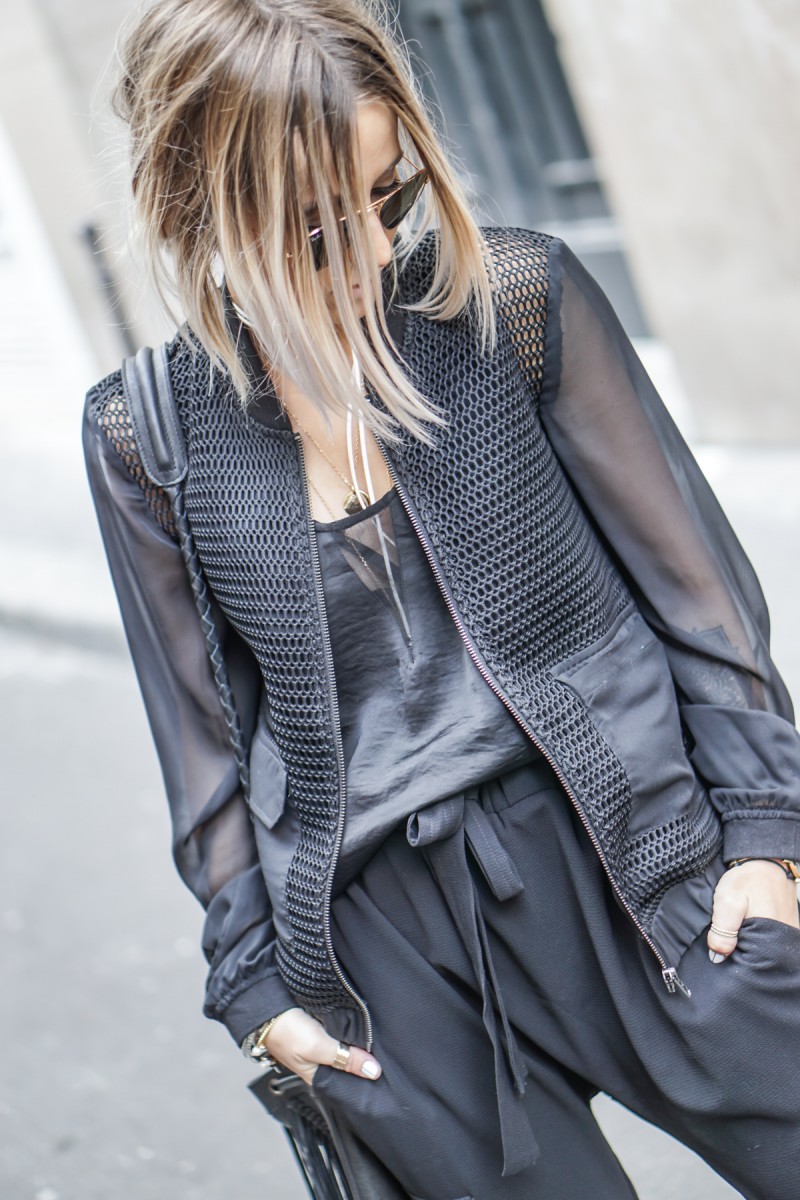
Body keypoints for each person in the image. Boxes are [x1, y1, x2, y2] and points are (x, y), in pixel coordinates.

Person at [84, 1, 800, 1197]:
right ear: (201, 213)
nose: (372, 253)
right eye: (319, 228)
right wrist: (257, 993)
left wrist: (767, 841)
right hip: (385, 966)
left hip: (638, 858)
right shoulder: (146, 434)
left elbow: (700, 602)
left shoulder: (507, 302)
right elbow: (202, 749)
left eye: (388, 198)